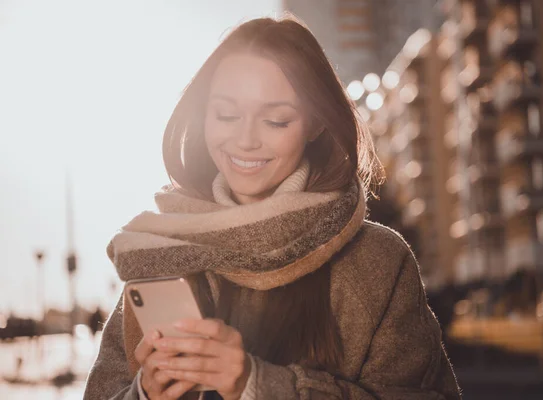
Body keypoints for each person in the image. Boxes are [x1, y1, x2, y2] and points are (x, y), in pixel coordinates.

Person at [84, 15, 461, 400]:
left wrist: (255, 384)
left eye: (276, 120)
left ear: (315, 124)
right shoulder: (160, 250)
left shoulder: (377, 261)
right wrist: (144, 393)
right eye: (226, 115)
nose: (245, 140)